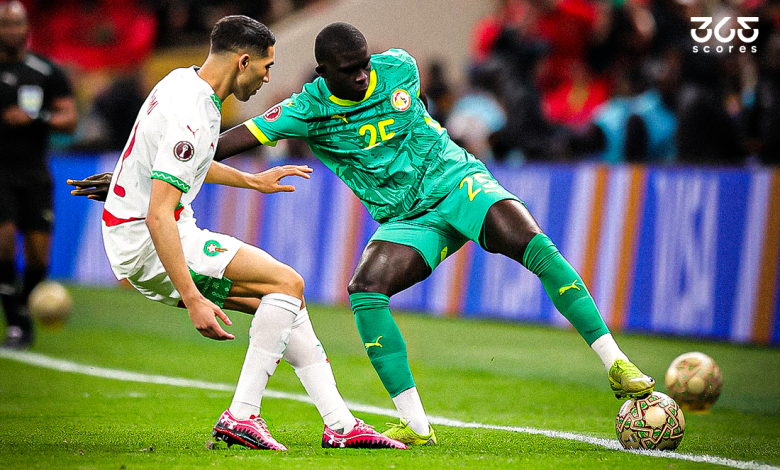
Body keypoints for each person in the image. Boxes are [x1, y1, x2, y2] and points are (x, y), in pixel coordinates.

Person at [73, 22, 656, 447]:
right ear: (323, 74)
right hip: (408, 220)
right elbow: (227, 143)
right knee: (365, 290)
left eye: (364, 64)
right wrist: (139, 173)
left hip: (457, 182)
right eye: (348, 71)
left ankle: (616, 364)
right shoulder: (305, 108)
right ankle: (416, 426)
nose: (361, 75)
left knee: (531, 243)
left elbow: (412, 112)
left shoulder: (400, 68)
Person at [69, 16, 405, 451]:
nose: (268, 78)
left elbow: (174, 160)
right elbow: (158, 215)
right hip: (150, 239)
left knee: (285, 303)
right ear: (243, 61)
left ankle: (340, 424)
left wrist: (252, 181)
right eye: (266, 67)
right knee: (287, 282)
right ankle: (242, 414)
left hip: (141, 232)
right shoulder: (194, 112)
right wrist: (193, 299)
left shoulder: (182, 82)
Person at [0, 1, 78, 349]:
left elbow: (69, 118)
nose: (11, 31)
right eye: (5, 24)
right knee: (3, 242)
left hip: (34, 173)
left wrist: (36, 118)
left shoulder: (45, 71)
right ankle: (17, 322)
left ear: (27, 28)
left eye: (17, 24)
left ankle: (23, 317)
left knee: (38, 256)